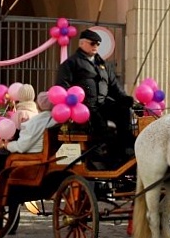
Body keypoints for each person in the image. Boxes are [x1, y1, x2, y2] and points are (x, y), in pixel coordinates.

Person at [56, 29, 133, 165]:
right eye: (92, 43)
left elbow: (115, 87)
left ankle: (123, 151)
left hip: (102, 104)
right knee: (101, 126)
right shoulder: (71, 64)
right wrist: (75, 103)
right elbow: (63, 86)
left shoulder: (103, 65)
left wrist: (125, 99)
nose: (95, 47)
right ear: (82, 44)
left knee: (123, 112)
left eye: (98, 44)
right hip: (84, 108)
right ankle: (100, 158)